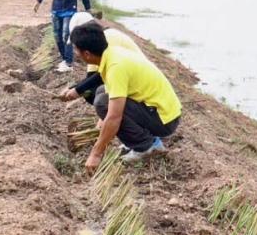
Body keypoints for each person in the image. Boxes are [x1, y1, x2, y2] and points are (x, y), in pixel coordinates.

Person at [67, 22, 182, 169]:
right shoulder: (112, 53)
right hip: (162, 112)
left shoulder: (116, 67)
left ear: (87, 54)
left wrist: (96, 153)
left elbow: (115, 116)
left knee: (103, 102)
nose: (75, 53)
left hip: (164, 120)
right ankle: (141, 141)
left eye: (76, 50)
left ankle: (146, 147)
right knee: (102, 91)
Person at [58, 11, 144, 105]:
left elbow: (102, 75)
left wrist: (78, 90)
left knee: (99, 96)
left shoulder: (109, 38)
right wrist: (72, 89)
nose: (77, 53)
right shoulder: (94, 47)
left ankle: (116, 115)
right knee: (92, 93)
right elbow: (91, 78)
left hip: (138, 88)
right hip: (127, 82)